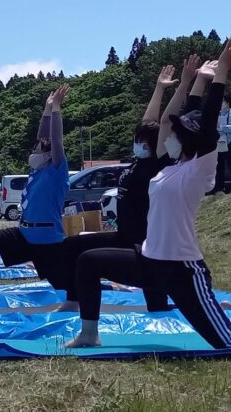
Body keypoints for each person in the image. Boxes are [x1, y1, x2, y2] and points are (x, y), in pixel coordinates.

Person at [65, 37, 231, 354]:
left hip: (181, 270)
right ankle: (89, 333)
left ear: (188, 140)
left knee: (228, 341)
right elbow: (187, 113)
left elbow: (207, 119)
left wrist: (222, 75)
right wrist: (197, 79)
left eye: (174, 133)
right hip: (147, 260)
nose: (166, 135)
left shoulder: (199, 169)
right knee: (89, 261)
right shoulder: (171, 165)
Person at [56, 59, 200, 312]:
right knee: (72, 246)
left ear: (156, 144)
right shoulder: (138, 160)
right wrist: (159, 88)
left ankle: (209, 305)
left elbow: (165, 122)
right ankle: (73, 300)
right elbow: (149, 121)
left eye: (143, 141)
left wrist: (184, 83)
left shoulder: (157, 162)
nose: (138, 144)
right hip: (124, 235)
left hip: (144, 240)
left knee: (157, 306)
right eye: (137, 140)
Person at [0, 85, 71, 296]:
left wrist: (56, 109)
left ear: (48, 155)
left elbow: (55, 139)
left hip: (47, 239)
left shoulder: (56, 170)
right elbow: (42, 136)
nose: (33, 152)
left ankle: (103, 290)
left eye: (37, 150)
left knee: (65, 287)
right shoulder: (37, 171)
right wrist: (46, 109)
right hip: (24, 234)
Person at [213, 95, 231, 193]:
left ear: (227, 103)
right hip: (220, 142)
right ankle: (219, 188)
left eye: (222, 101)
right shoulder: (218, 114)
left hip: (230, 143)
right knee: (219, 166)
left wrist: (221, 127)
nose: (221, 104)